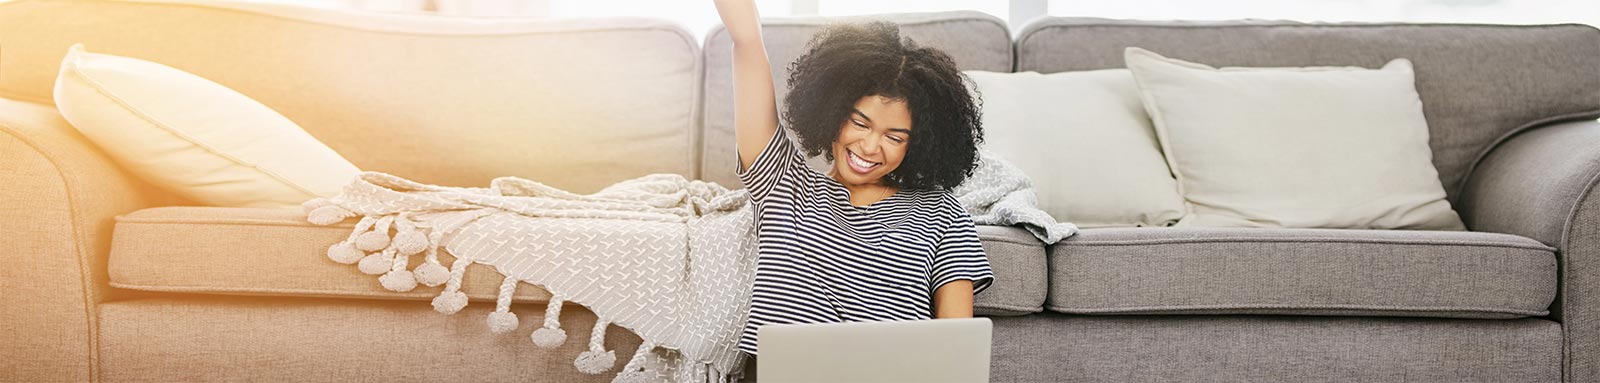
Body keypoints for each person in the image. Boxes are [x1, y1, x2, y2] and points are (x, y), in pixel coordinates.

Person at [712, 0, 994, 357]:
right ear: (832, 109)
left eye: (894, 137)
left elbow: (957, 349)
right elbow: (748, 43)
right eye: (859, 123)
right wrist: (745, 30)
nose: (870, 146)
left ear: (919, 144)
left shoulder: (942, 213)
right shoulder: (783, 184)